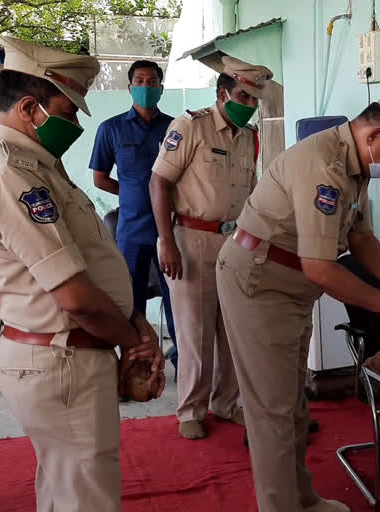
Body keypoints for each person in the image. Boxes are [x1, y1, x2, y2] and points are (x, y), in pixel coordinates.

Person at [0, 37, 164, 511]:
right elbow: (74, 296)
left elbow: (90, 262)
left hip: (66, 356)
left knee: (64, 492)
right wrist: (132, 342)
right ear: (30, 108)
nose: (74, 125)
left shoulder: (36, 163)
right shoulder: (12, 173)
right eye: (68, 112)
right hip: (63, 360)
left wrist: (132, 319)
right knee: (87, 498)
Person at [216, 84, 380, 512]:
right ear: (374, 137)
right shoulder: (324, 165)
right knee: (273, 414)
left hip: (291, 287)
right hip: (259, 282)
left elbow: (360, 236)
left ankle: (302, 499)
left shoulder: (354, 166)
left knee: (293, 404)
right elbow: (321, 267)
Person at [150, 56, 267, 440]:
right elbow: (159, 183)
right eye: (243, 98)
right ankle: (190, 409)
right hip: (191, 239)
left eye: (254, 101)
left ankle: (226, 402)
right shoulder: (190, 126)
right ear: (223, 94)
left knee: (233, 330)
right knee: (195, 331)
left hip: (235, 241)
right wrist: (166, 240)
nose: (249, 106)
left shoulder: (250, 137)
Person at [90, 60, 179, 377]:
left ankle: (183, 364)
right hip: (130, 231)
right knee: (130, 304)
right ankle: (134, 367)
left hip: (170, 231)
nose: (145, 86)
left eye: (152, 81)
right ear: (129, 88)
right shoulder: (111, 129)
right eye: (139, 81)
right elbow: (100, 179)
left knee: (177, 303)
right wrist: (131, 196)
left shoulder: (175, 128)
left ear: (160, 88)